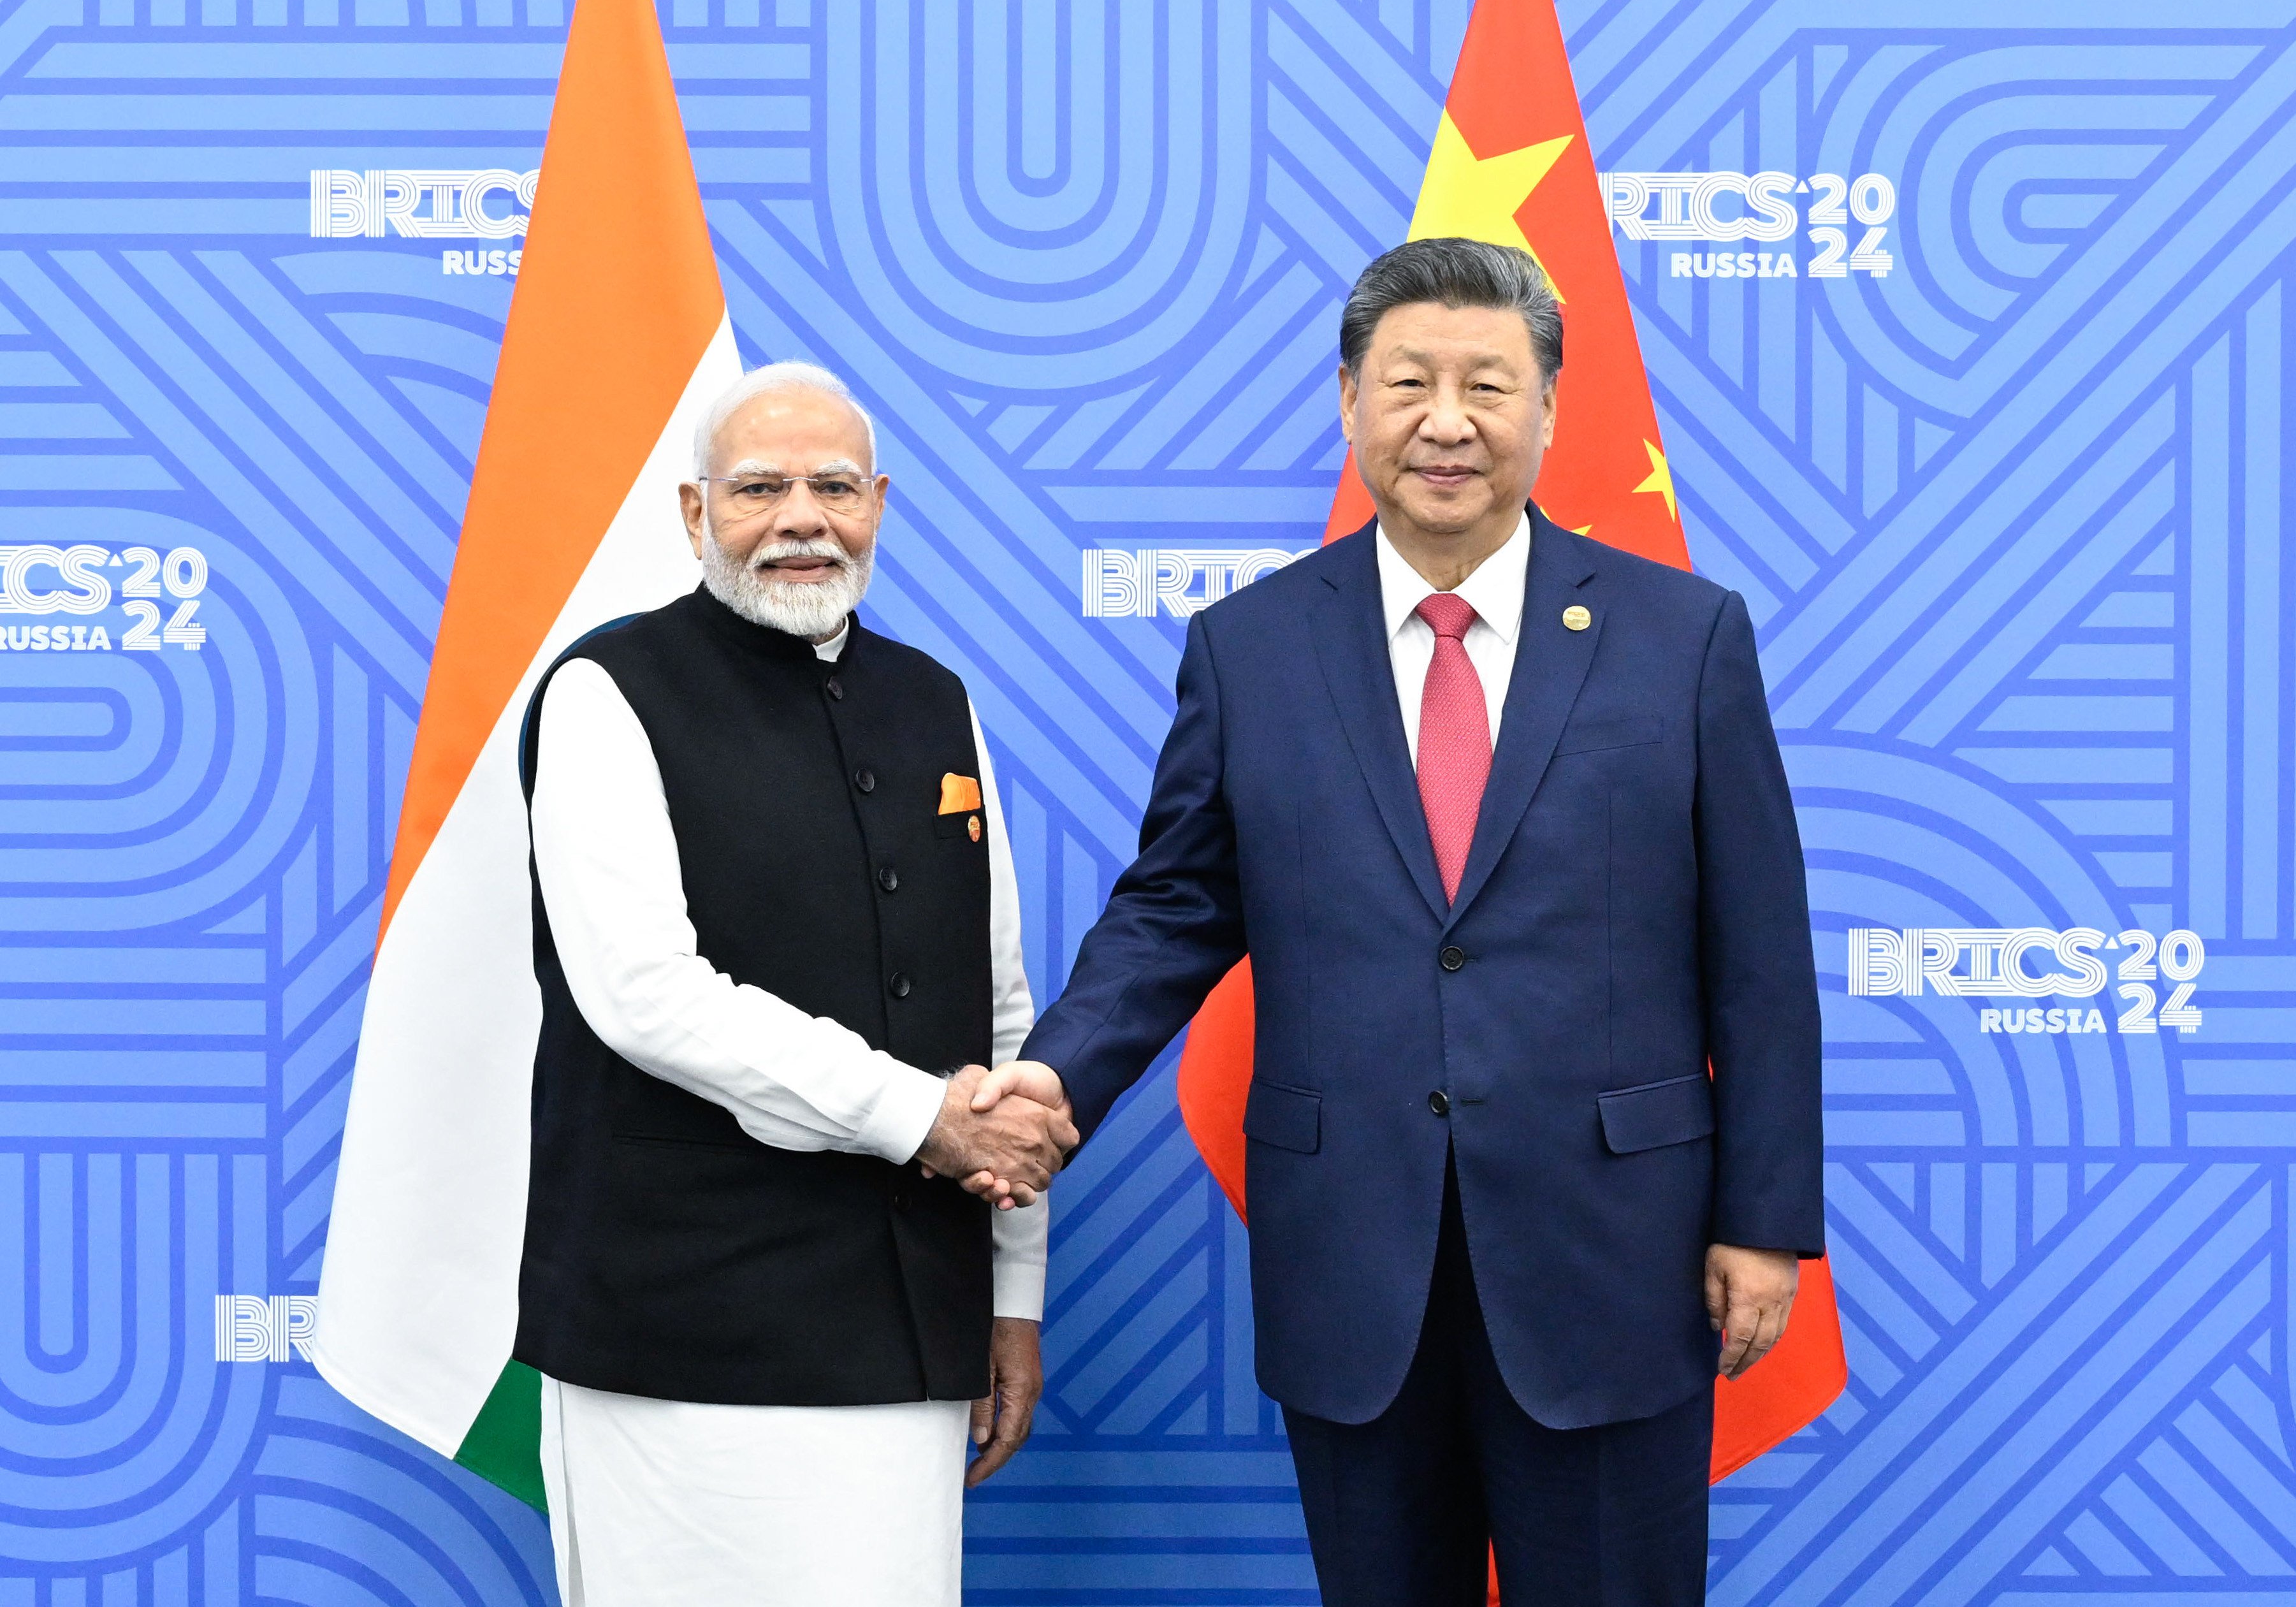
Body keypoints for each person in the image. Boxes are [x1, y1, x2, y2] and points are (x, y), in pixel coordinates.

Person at [974, 238, 1825, 1605]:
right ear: (1348, 401)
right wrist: (1056, 1075)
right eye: (1408, 381)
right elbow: (1177, 903)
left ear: (1547, 406)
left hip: (1614, 1251)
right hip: (1352, 1254)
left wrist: (1765, 1219)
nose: (1447, 420)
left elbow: (1761, 956)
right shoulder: (1249, 648)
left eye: (1488, 384)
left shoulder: (1684, 637)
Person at [514, 360, 1075, 1606]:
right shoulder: (606, 693)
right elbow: (647, 994)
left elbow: (994, 1009)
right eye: (759, 486)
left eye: (832, 484)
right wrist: (921, 1117)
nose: (801, 516)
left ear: (877, 500)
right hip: (673, 1326)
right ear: (694, 511)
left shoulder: (937, 700)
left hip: (908, 1323)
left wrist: (1015, 1290)